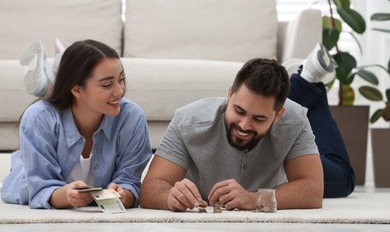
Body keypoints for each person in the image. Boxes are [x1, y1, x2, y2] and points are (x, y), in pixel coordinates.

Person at [139, 42, 355, 212]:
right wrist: (169, 197)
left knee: (344, 180)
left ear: (278, 115)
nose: (244, 125)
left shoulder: (294, 119)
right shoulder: (188, 121)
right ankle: (307, 79)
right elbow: (150, 188)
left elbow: (313, 191)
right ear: (229, 94)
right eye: (239, 111)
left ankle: (308, 81)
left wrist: (254, 199)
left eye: (259, 119)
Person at [1, 39, 152, 209]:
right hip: (27, 181)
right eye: (107, 84)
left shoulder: (131, 117)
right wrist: (66, 196)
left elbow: (130, 182)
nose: (119, 91)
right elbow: (40, 188)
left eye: (121, 79)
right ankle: (51, 79)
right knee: (45, 109)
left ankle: (55, 73)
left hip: (71, 95)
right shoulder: (38, 117)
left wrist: (125, 194)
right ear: (77, 89)